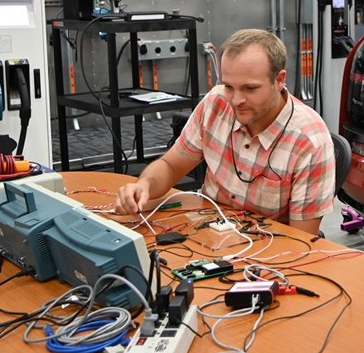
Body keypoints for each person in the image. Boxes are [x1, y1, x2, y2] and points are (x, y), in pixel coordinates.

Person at [114, 28, 336, 234]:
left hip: (265, 253)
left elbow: (302, 242)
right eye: (229, 86)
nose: (236, 100)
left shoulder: (310, 143)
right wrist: (143, 186)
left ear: (279, 80)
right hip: (207, 233)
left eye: (250, 88)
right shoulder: (215, 103)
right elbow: (171, 166)